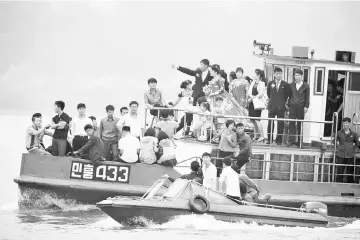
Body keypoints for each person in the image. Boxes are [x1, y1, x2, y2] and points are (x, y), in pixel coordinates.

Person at [267, 68, 292, 145]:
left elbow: (288, 95)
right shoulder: (270, 83)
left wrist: (283, 102)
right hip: (272, 106)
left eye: (280, 74)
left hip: (281, 107)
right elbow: (268, 94)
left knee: (280, 124)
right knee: (270, 123)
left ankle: (279, 140)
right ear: (274, 74)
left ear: (282, 74)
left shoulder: (286, 84)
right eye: (277, 74)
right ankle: (269, 139)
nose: (278, 75)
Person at [287, 69, 310, 147]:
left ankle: (300, 143)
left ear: (301, 76)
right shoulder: (291, 85)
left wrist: (306, 106)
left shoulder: (306, 85)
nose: (296, 77)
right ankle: (290, 142)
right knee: (291, 124)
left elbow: (307, 97)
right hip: (292, 107)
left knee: (300, 125)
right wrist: (288, 107)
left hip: (301, 108)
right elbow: (289, 97)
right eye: (295, 75)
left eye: (298, 75)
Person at [334, 117, 360, 183]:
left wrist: (352, 148)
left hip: (350, 156)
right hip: (340, 155)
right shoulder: (339, 133)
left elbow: (357, 143)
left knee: (350, 173)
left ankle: (350, 187)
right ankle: (338, 186)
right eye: (344, 123)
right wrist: (338, 147)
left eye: (346, 123)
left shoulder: (354, 134)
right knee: (339, 172)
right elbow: (333, 141)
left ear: (349, 124)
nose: (345, 125)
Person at [248, 69, 266, 142]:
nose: (253, 75)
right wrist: (251, 96)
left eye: (255, 74)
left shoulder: (262, 83)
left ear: (258, 75)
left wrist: (254, 97)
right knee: (253, 120)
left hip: (257, 103)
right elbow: (249, 91)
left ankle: (262, 135)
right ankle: (255, 135)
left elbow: (261, 93)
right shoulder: (253, 82)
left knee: (257, 120)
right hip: (252, 103)